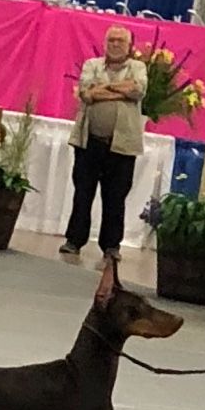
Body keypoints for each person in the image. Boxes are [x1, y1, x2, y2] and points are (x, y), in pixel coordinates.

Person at [60, 25, 147, 262]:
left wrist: (104, 88)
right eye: (111, 40)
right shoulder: (92, 65)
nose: (115, 44)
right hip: (89, 143)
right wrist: (120, 91)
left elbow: (137, 90)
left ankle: (111, 246)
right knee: (83, 193)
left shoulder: (138, 67)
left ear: (129, 46)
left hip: (121, 146)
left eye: (120, 41)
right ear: (105, 43)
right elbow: (86, 93)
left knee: (115, 198)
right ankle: (74, 241)